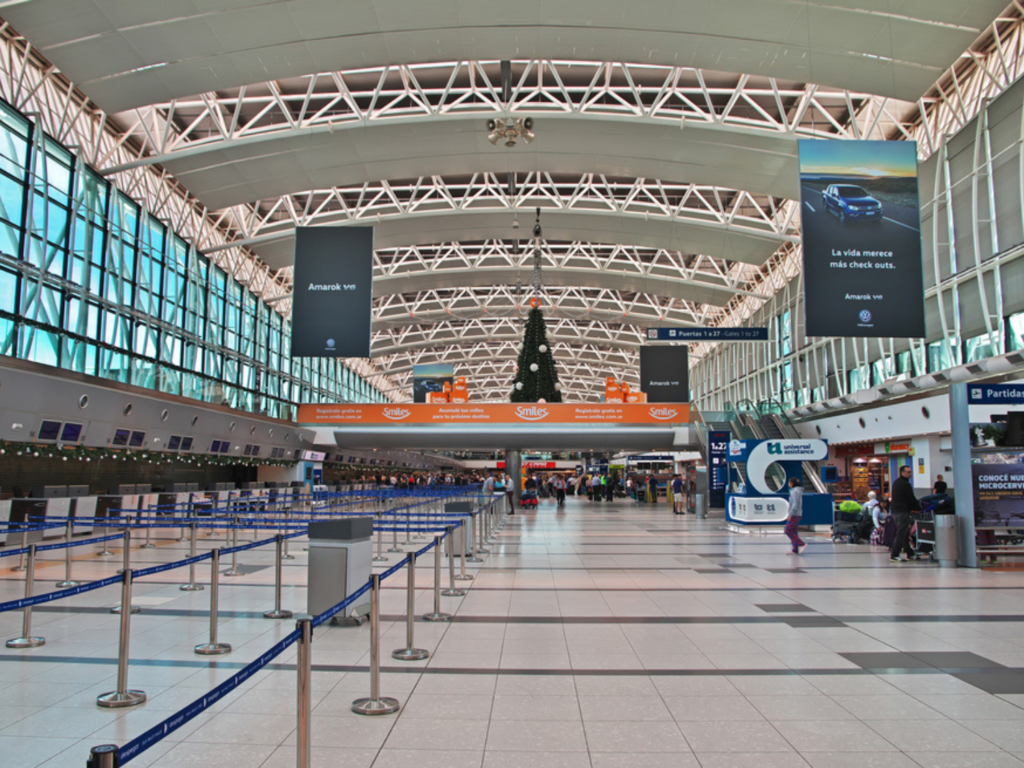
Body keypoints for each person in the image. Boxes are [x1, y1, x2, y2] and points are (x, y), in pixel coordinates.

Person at [890, 464, 921, 562]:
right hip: (902, 511)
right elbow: (910, 498)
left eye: (910, 472)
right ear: (902, 473)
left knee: (904, 532)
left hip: (896, 511)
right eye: (908, 472)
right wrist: (918, 508)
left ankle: (909, 553)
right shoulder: (905, 484)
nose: (910, 474)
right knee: (901, 533)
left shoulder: (896, 482)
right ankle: (895, 554)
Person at [785, 477, 806, 554]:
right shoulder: (796, 491)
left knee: (787, 530)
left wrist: (790, 514)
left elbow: (795, 505)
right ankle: (795, 549)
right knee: (793, 531)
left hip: (795, 514)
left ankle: (801, 544)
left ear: (792, 483)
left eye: (789, 482)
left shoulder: (795, 492)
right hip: (796, 514)